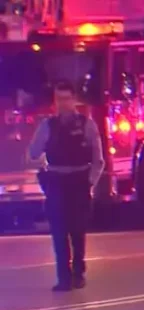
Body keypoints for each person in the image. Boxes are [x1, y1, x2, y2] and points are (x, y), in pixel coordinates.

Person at [28, 81, 104, 291]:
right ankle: (63, 277)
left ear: (74, 100)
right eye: (59, 99)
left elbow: (98, 158)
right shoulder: (47, 126)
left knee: (78, 232)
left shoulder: (87, 125)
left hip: (79, 182)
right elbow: (33, 153)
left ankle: (78, 273)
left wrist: (90, 182)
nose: (62, 104)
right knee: (59, 232)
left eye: (66, 99)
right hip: (57, 183)